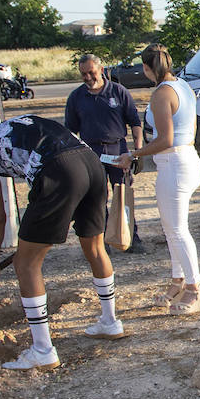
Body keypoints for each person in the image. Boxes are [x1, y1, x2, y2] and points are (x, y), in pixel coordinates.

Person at [0, 107, 123, 371]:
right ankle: (110, 322)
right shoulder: (20, 124)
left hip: (58, 170)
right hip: (91, 165)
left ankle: (43, 351)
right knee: (94, 247)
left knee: (26, 263)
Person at [114, 44, 200, 315]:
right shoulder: (183, 86)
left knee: (177, 230)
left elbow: (165, 139)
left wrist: (134, 154)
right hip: (186, 158)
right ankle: (178, 281)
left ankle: (195, 288)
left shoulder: (161, 94)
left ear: (146, 68)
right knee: (172, 229)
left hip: (174, 163)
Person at [64, 53, 146, 254]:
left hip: (118, 150)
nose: (87, 77)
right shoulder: (76, 97)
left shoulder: (118, 91)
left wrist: (137, 152)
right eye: (83, 74)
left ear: (101, 70)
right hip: (91, 153)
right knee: (96, 200)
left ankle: (130, 238)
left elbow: (135, 122)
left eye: (91, 72)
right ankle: (102, 243)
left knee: (122, 196)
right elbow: (70, 132)